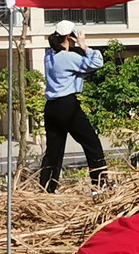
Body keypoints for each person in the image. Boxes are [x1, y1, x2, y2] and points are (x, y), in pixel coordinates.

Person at [40, 20, 108, 192]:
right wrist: (84, 46)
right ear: (70, 37)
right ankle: (99, 184)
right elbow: (96, 63)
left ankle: (46, 188)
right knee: (91, 142)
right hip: (67, 106)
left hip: (51, 107)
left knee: (53, 151)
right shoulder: (68, 57)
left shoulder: (49, 55)